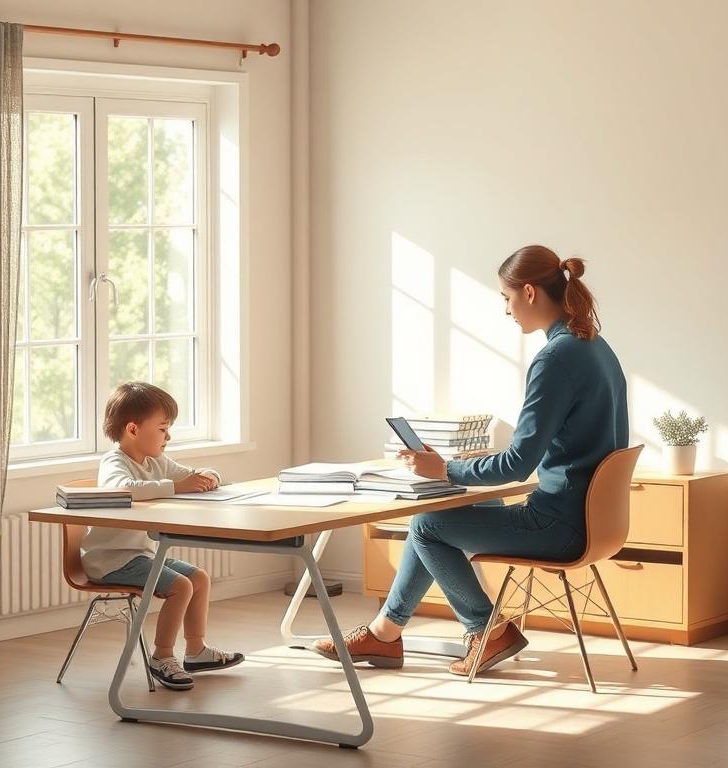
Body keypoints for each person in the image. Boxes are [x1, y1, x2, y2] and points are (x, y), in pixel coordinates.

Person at [310, 245, 628, 676]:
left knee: (427, 524)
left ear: (529, 292)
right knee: (467, 508)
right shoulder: (595, 346)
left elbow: (517, 464)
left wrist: (443, 469)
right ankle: (386, 633)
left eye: (506, 297)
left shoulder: (555, 358)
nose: (506, 309)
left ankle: (486, 629)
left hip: (560, 526)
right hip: (589, 520)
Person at [81, 381, 244, 690]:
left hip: (138, 556)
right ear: (132, 429)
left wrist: (211, 477)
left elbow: (191, 475)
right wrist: (177, 486)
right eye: (163, 429)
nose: (168, 437)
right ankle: (162, 657)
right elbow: (122, 488)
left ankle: (195, 650)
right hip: (109, 561)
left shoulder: (156, 461)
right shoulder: (114, 462)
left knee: (198, 578)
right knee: (180, 586)